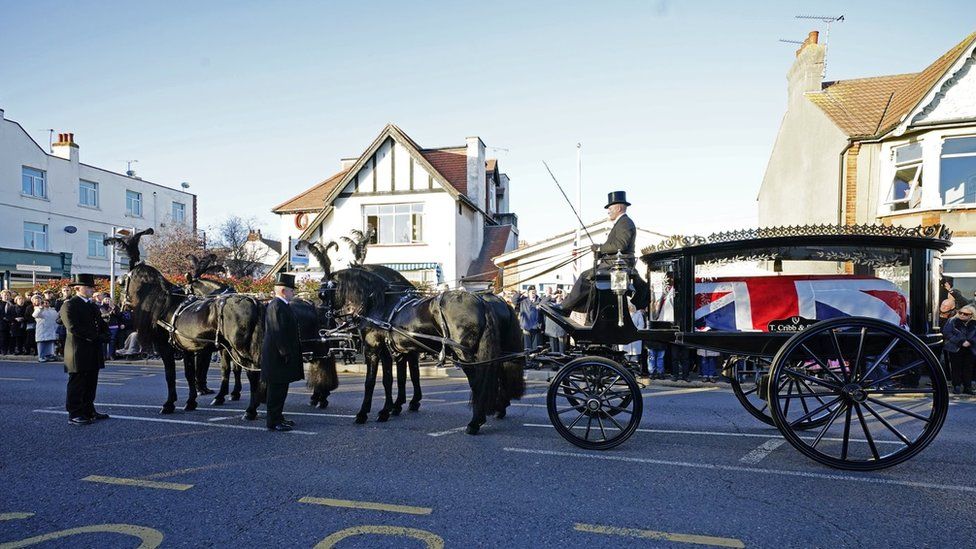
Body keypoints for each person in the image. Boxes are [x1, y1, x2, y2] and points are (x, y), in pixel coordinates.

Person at [555, 191, 650, 315]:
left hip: (618, 265)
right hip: (613, 264)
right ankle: (576, 309)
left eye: (610, 208)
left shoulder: (625, 223)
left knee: (585, 277)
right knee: (587, 276)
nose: (608, 211)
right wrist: (600, 251)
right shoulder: (622, 223)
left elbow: (620, 245)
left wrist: (600, 248)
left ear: (619, 208)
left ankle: (566, 308)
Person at [61, 274, 112, 425]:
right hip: (78, 350)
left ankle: (89, 409)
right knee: (78, 382)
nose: (91, 290)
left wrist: (106, 334)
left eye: (92, 287)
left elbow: (100, 323)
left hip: (92, 349)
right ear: (77, 288)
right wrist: (96, 337)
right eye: (88, 287)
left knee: (91, 382)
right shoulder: (69, 305)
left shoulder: (92, 305)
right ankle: (75, 413)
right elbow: (73, 327)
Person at [260, 273, 304, 431]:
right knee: (276, 391)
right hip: (276, 356)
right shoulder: (276, 306)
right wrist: (285, 352)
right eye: (292, 290)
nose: (294, 293)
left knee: (281, 389)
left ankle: (278, 416)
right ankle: (273, 421)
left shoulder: (282, 305)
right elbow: (277, 331)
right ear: (284, 291)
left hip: (279, 355)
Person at [942, 304, 976, 395]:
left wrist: (970, 342)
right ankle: (956, 386)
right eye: (960, 312)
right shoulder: (952, 321)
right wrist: (960, 341)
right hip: (955, 347)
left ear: (971, 315)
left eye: (965, 314)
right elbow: (947, 333)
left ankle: (967, 387)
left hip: (970, 348)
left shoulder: (974, 323)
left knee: (968, 368)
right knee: (956, 367)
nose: (962, 315)